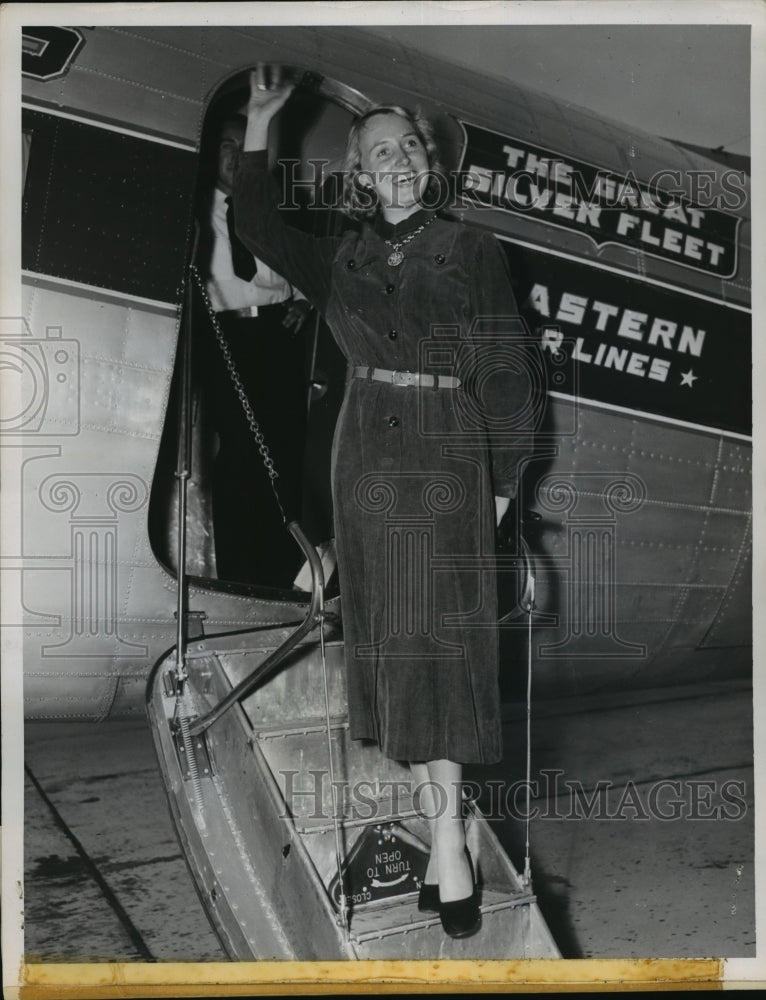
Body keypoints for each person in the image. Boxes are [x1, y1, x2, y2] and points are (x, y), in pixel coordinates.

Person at [233, 68, 536, 939]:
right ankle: (448, 834)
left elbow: (509, 370)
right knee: (399, 659)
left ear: (427, 165)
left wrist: (507, 486)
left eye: (408, 147)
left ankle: (447, 840)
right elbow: (254, 221)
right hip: (366, 458)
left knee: (440, 657)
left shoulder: (474, 251)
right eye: (378, 152)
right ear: (361, 175)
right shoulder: (341, 254)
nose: (396, 160)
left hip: (448, 455)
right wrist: (261, 126)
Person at [198, 111, 313, 588]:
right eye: (225, 143)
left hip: (278, 337)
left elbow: (310, 264)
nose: (232, 154)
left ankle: (277, 579)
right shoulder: (194, 207)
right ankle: (235, 574)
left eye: (241, 145)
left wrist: (306, 303)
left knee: (284, 458)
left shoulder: (278, 209)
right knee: (239, 457)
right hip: (224, 336)